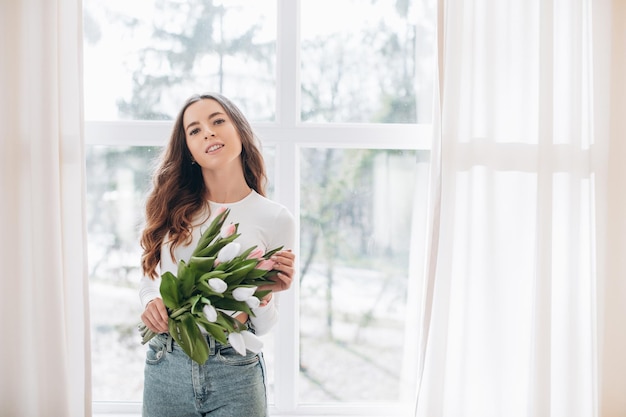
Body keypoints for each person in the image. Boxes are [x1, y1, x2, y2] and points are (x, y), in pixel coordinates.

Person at [138, 92, 296, 417]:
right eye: (194, 130)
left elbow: (263, 327)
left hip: (235, 367)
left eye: (218, 121)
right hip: (167, 359)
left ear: (238, 129)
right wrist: (150, 303)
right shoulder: (173, 209)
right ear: (190, 151)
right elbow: (150, 282)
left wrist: (264, 293)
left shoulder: (275, 218)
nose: (208, 132)